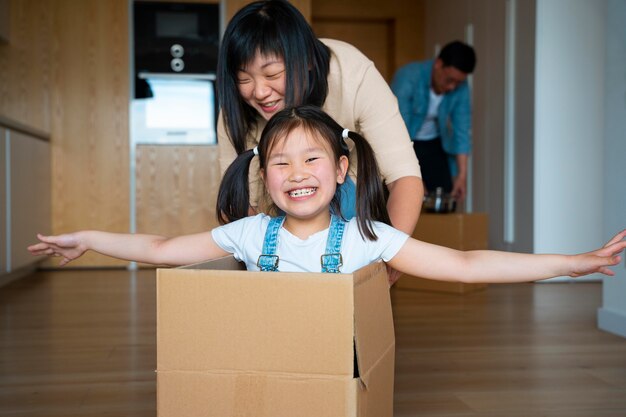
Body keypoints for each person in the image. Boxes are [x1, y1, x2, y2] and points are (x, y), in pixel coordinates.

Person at [28, 106, 625, 285]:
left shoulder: (371, 239)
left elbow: (465, 264)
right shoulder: (250, 234)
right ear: (263, 177)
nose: (296, 173)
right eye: (279, 163)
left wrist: (573, 263)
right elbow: (159, 246)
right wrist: (86, 239)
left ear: (342, 169)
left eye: (311, 158)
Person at [216, 0, 423, 242]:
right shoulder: (235, 110)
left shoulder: (352, 75)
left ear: (307, 61)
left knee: (342, 195)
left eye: (272, 74)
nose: (260, 92)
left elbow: (404, 177)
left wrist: (388, 257)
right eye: (244, 79)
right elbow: (235, 202)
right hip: (276, 228)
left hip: (354, 210)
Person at [391, 40, 476, 202]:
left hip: (434, 143)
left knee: (443, 194)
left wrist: (462, 175)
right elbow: (398, 129)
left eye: (458, 82)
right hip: (403, 141)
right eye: (449, 80)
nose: (452, 87)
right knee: (407, 194)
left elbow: (462, 130)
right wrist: (414, 177)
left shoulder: (461, 87)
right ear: (438, 64)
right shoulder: (408, 77)